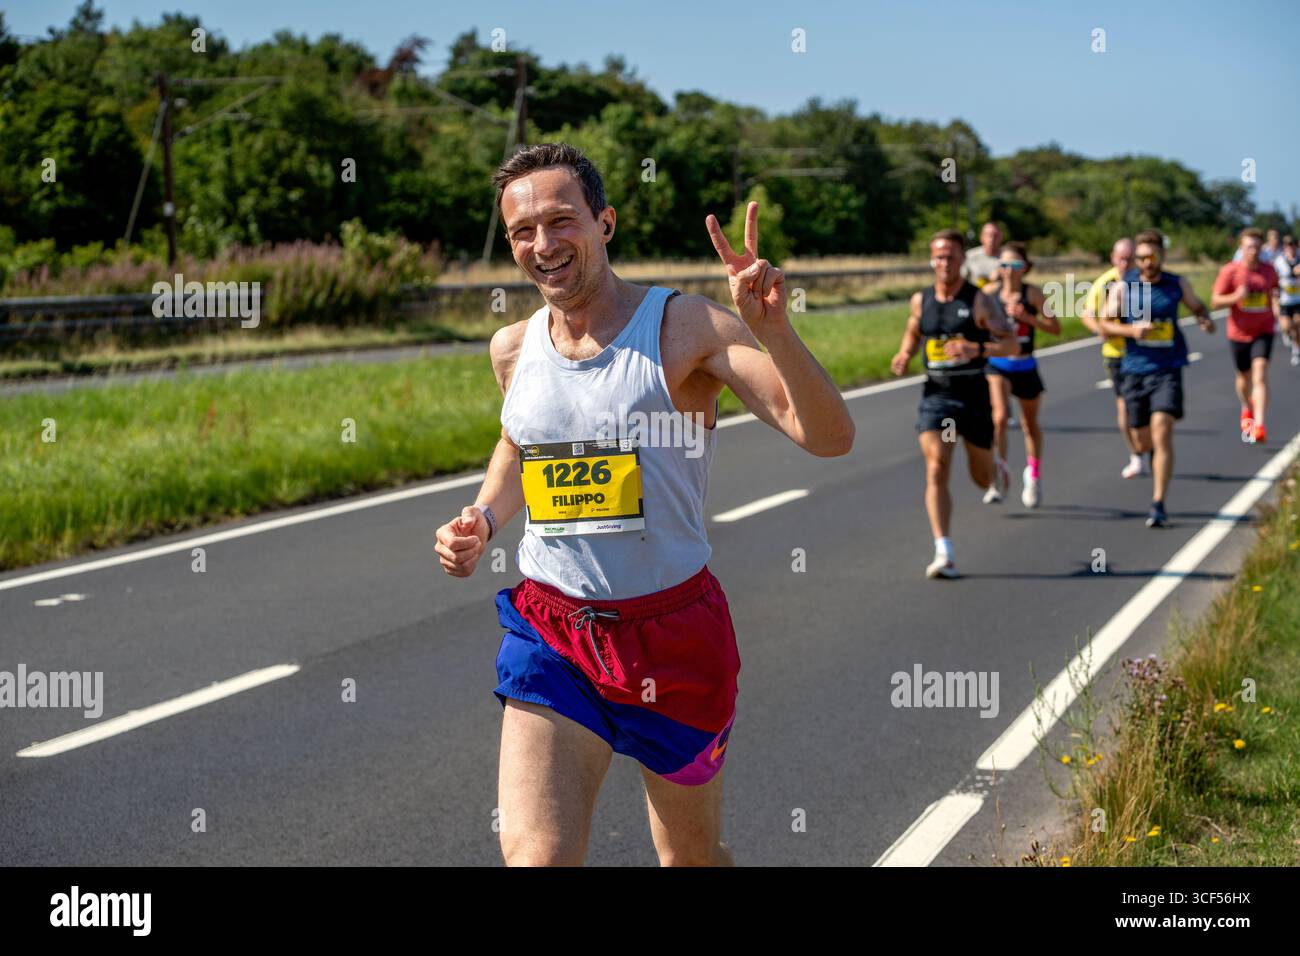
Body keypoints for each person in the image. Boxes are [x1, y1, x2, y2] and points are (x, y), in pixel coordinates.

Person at [433, 143, 854, 867]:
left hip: (675, 634)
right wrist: (483, 517)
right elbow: (523, 446)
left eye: (562, 221)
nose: (544, 245)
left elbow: (828, 437)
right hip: (554, 630)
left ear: (605, 222)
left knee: (688, 857)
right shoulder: (512, 348)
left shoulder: (683, 328)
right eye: (522, 232)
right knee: (537, 858)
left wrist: (774, 332)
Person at [891, 228, 1019, 577]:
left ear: (963, 260)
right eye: (939, 256)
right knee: (936, 466)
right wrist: (904, 354)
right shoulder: (921, 300)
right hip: (937, 396)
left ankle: (996, 469)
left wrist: (975, 349)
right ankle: (944, 551)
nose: (944, 262)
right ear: (932, 259)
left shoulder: (979, 301)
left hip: (973, 396)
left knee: (981, 479)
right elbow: (914, 330)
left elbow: (1012, 346)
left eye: (951, 256)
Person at [1096, 229, 1215, 527]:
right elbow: (1104, 325)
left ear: (1162, 255)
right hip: (1134, 368)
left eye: (1151, 256)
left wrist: (1204, 318)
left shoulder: (1177, 284)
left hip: (1167, 368)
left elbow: (1197, 306)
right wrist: (1132, 331)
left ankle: (1158, 503)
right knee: (1140, 437)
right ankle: (1145, 454)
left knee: (1162, 429)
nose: (1146, 263)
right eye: (1141, 257)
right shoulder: (1125, 286)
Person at [981, 242, 1060, 508]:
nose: (1009, 270)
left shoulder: (1034, 294)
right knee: (1000, 418)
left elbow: (1055, 327)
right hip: (998, 364)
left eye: (1014, 265)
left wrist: (1028, 317)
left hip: (1025, 366)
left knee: (1030, 425)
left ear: (1024, 268)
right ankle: (998, 477)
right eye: (1003, 265)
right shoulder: (988, 294)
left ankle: (1034, 475)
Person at [1080, 238, 1146, 477]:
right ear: (1112, 258)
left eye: (1129, 259)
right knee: (1125, 408)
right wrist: (1100, 329)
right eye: (1121, 258)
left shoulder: (1145, 280)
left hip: (1146, 353)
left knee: (1146, 409)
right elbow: (1087, 314)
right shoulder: (1104, 282)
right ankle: (1136, 455)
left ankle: (1147, 444)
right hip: (1117, 354)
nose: (1124, 263)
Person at [1212, 227, 1280, 443]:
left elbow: (1275, 292)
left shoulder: (1269, 270)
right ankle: (1246, 407)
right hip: (1238, 333)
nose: (1253, 251)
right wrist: (1235, 296)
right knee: (1244, 378)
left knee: (1259, 374)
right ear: (1241, 248)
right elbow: (1215, 301)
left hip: (1264, 330)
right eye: (1249, 247)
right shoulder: (1230, 271)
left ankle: (1259, 425)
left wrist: (1276, 309)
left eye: (1257, 247)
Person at [1273, 235, 1300, 366]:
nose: (1290, 248)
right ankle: (1287, 333)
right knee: (1285, 326)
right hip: (1285, 300)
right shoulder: (1279, 261)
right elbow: (1273, 278)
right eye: (1287, 245)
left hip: (1298, 299)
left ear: (1296, 246)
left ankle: (1296, 350)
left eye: (1292, 245)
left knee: (1297, 324)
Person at [961, 221, 1004, 289]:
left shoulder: (1008, 256)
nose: (992, 239)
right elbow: (961, 279)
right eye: (988, 235)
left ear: (1001, 237)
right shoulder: (970, 255)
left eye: (995, 235)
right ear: (981, 237)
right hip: (974, 296)